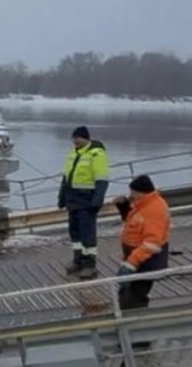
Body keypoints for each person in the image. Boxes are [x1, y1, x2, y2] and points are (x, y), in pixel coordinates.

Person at [58, 125, 110, 278]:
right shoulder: (73, 153)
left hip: (87, 200)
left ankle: (89, 264)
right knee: (74, 232)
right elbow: (66, 178)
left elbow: (102, 180)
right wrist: (61, 197)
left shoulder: (96, 154)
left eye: (78, 138)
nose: (75, 141)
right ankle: (78, 260)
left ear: (85, 138)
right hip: (72, 199)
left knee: (87, 234)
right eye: (74, 138)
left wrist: (97, 201)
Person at [113, 174, 170, 310]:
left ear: (141, 192)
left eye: (133, 192)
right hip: (136, 257)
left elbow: (152, 243)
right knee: (127, 293)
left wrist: (131, 264)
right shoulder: (143, 204)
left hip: (145, 260)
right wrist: (124, 207)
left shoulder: (154, 210)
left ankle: (135, 319)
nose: (130, 195)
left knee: (133, 297)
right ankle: (132, 314)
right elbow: (134, 222)